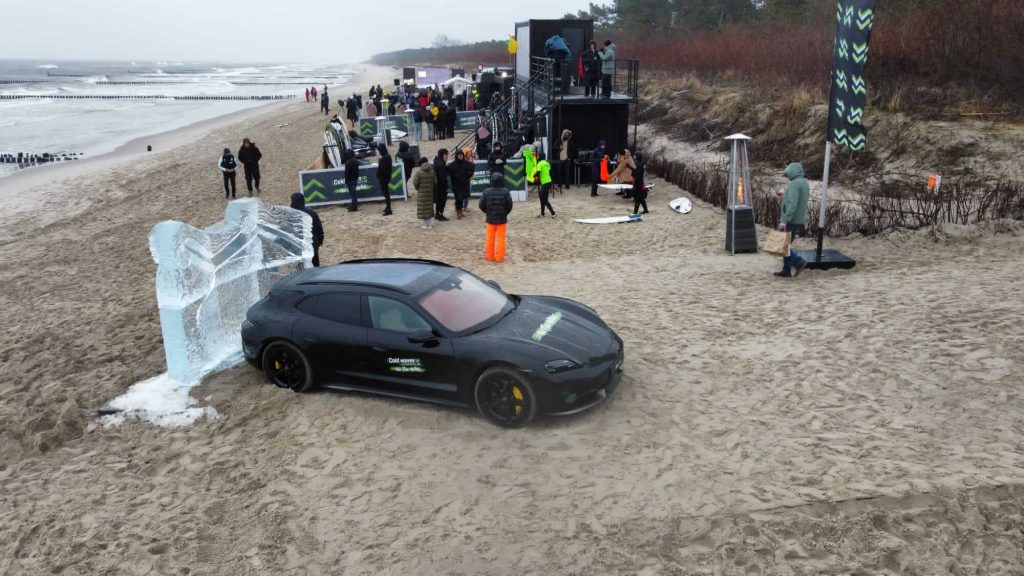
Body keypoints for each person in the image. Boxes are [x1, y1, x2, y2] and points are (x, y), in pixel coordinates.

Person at [776, 162, 810, 278]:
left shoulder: (794, 184)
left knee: (782, 245)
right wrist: (784, 196)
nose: (788, 176)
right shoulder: (804, 183)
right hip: (798, 220)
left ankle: (799, 262)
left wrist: (784, 221)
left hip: (790, 220)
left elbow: (792, 204)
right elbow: (798, 201)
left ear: (792, 172)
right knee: (787, 245)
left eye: (788, 173)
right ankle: (786, 270)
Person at [479, 173, 513, 263]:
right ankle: (499, 258)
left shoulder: (486, 191)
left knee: (490, 238)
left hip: (490, 219)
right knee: (501, 238)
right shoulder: (505, 191)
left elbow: (481, 205)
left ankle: (489, 257)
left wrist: (488, 212)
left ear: (491, 181)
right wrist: (504, 213)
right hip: (502, 219)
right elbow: (510, 205)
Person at [289, 193, 324, 267]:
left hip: (298, 246)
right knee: (315, 265)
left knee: (301, 267)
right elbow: (319, 229)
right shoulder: (312, 213)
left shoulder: (290, 215)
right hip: (312, 243)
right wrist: (320, 241)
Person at [449, 149, 474, 219]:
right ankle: (458, 212)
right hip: (456, 184)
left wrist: (469, 174)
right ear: (456, 156)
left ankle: (461, 211)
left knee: (463, 197)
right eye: (459, 155)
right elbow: (448, 170)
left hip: (464, 183)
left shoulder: (465, 163)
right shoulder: (453, 164)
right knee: (458, 198)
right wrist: (454, 175)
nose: (460, 156)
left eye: (461, 155)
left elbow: (472, 166)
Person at [412, 157, 436, 229]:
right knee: (429, 207)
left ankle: (425, 224)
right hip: (430, 192)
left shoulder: (419, 172)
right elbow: (435, 182)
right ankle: (429, 224)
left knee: (423, 208)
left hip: (421, 193)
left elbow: (415, 182)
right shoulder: (432, 171)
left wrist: (417, 188)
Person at [534, 151, 556, 217]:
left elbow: (538, 173)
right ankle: (542, 214)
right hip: (549, 181)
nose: (538, 157)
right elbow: (548, 172)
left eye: (538, 156)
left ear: (540, 157)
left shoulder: (539, 164)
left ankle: (553, 213)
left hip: (544, 183)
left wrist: (534, 176)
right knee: (542, 198)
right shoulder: (547, 163)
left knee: (544, 200)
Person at [376, 143, 394, 216]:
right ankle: (388, 207)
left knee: (386, 193)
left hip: (384, 178)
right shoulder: (387, 156)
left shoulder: (385, 157)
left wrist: (378, 173)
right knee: (386, 193)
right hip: (386, 177)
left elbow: (382, 168)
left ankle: (389, 209)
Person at [432, 149, 450, 221]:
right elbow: (442, 178)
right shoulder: (441, 164)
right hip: (440, 186)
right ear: (443, 155)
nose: (447, 156)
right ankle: (440, 215)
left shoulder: (437, 162)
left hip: (436, 186)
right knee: (442, 201)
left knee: (438, 201)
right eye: (446, 155)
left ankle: (437, 214)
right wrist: (446, 187)